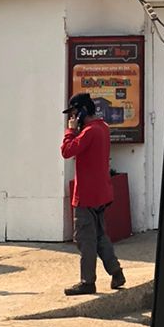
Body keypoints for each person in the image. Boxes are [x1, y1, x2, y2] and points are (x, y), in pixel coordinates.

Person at [61, 91, 126, 295]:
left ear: (82, 112)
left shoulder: (89, 132)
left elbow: (67, 151)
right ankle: (116, 272)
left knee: (85, 239)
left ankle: (87, 281)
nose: (71, 119)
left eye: (73, 114)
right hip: (101, 192)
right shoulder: (103, 128)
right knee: (99, 236)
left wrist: (70, 131)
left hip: (87, 195)